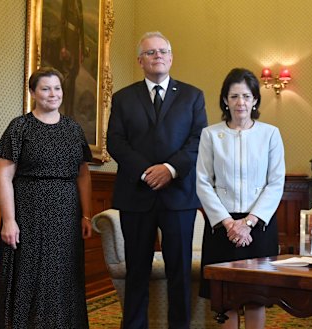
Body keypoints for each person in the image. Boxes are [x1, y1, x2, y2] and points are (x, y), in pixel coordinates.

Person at [106, 31, 207, 329]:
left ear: (171, 57)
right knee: (137, 271)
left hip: (179, 196)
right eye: (150, 52)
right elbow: (115, 141)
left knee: (180, 272)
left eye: (163, 51)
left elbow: (198, 139)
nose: (158, 56)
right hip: (135, 195)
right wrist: (147, 172)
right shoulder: (123, 97)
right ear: (140, 60)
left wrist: (170, 169)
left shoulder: (192, 96)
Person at [0, 67, 93, 328]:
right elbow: (3, 176)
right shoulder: (19, 127)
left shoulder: (73, 129)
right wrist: (9, 221)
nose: (53, 94)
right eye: (45, 89)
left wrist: (86, 214)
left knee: (62, 277)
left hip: (66, 215)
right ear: (33, 93)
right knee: (28, 276)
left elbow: (83, 176)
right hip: (28, 213)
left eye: (57, 88)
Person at [196, 68, 285, 329]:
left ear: (255, 99)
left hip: (259, 225)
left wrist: (249, 222)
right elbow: (202, 181)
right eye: (234, 96)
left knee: (256, 297)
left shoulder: (270, 134)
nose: (240, 102)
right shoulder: (210, 135)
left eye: (246, 96)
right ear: (225, 100)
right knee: (226, 298)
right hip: (221, 227)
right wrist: (229, 223)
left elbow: (276, 181)